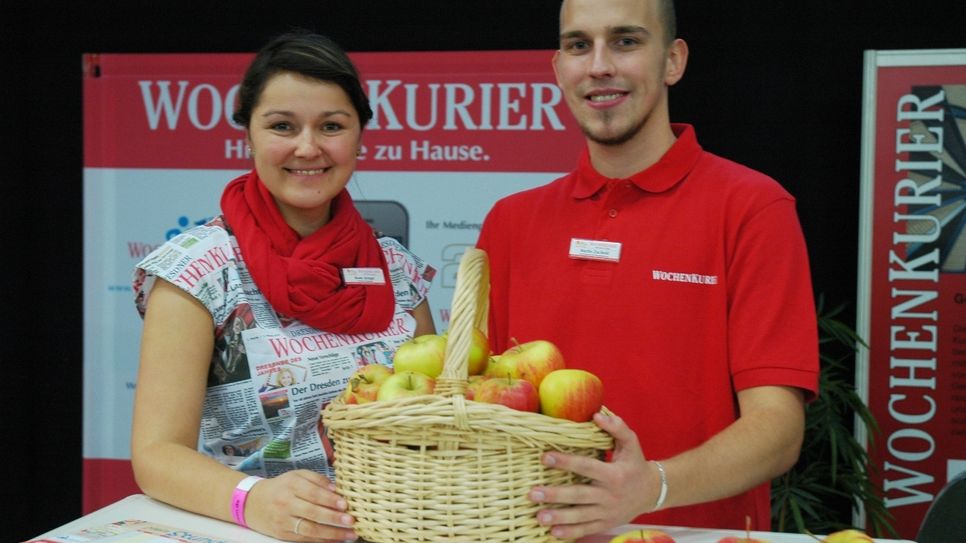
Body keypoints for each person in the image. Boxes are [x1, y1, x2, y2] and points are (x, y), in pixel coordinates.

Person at [476, 0, 819, 537]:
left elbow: (778, 429)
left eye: (626, 41)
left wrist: (652, 485)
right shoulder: (510, 222)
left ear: (673, 61)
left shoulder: (752, 208)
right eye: (578, 45)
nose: (599, 66)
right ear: (558, 68)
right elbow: (478, 405)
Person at [131, 30, 435, 542]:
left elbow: (437, 411)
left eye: (332, 126)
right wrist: (254, 500)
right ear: (247, 135)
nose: (308, 147)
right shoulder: (196, 270)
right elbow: (157, 455)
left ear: (360, 135)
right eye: (282, 126)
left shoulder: (397, 268)